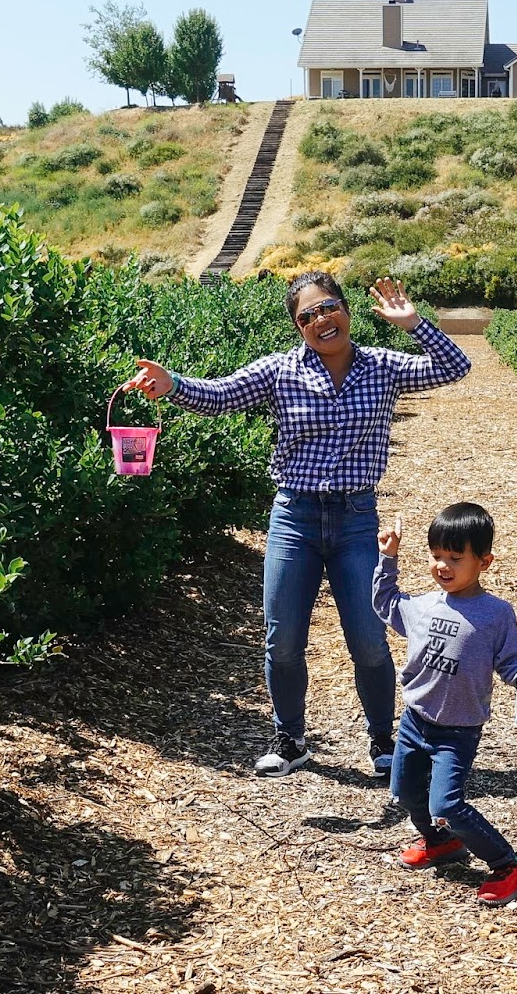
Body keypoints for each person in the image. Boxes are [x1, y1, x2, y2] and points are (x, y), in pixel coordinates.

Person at [125, 273, 471, 778]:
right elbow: (221, 396)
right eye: (307, 316)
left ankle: (383, 739)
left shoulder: (383, 367)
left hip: (355, 519)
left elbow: (455, 366)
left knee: (369, 639)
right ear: (297, 327)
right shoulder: (281, 370)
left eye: (328, 307)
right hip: (294, 517)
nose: (320, 320)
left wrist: (413, 323)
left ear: (345, 309)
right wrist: (172, 384)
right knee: (282, 640)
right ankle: (290, 739)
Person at [372, 502, 517, 907]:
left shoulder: (495, 615)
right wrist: (388, 558)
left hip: (458, 731)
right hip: (414, 721)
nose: (442, 566)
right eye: (436, 556)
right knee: (406, 794)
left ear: (484, 562)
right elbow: (386, 603)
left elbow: (513, 669)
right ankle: (441, 843)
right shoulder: (423, 606)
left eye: (455, 557)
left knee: (446, 804)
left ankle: (509, 864)